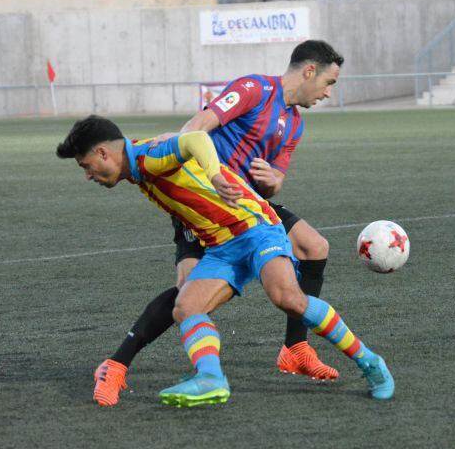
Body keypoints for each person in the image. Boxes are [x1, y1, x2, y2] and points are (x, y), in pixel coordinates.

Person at [55, 115, 395, 407]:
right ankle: (210, 379)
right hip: (222, 246)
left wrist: (215, 174)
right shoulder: (138, 168)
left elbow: (196, 139)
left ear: (102, 153)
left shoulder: (147, 156)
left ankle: (369, 361)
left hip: (256, 229)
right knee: (186, 307)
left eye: (86, 166)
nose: (88, 175)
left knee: (287, 298)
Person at [93, 40, 345, 407]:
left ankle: (296, 348)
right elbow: (200, 125)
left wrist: (274, 179)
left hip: (247, 208)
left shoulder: (294, 125)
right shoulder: (254, 89)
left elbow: (275, 176)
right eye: (330, 82)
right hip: (204, 202)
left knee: (314, 245)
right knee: (187, 296)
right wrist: (177, 146)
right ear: (309, 71)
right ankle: (117, 364)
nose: (328, 93)